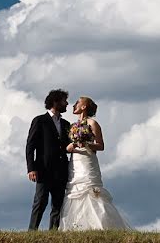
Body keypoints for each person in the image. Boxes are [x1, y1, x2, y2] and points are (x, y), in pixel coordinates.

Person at [59, 96, 130, 230]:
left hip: (87, 160)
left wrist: (84, 144)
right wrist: (70, 147)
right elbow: (71, 145)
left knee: (90, 189)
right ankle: (77, 226)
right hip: (75, 162)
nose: (73, 106)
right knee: (75, 190)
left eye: (77, 103)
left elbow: (100, 145)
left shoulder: (92, 123)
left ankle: (101, 224)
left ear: (84, 106)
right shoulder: (73, 126)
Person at [26, 89, 71, 230]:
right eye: (64, 101)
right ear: (55, 101)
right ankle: (32, 231)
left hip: (61, 170)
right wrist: (31, 168)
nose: (67, 104)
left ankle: (53, 232)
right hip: (43, 169)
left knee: (58, 203)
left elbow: (67, 146)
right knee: (40, 201)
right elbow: (30, 146)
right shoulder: (40, 120)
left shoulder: (66, 124)